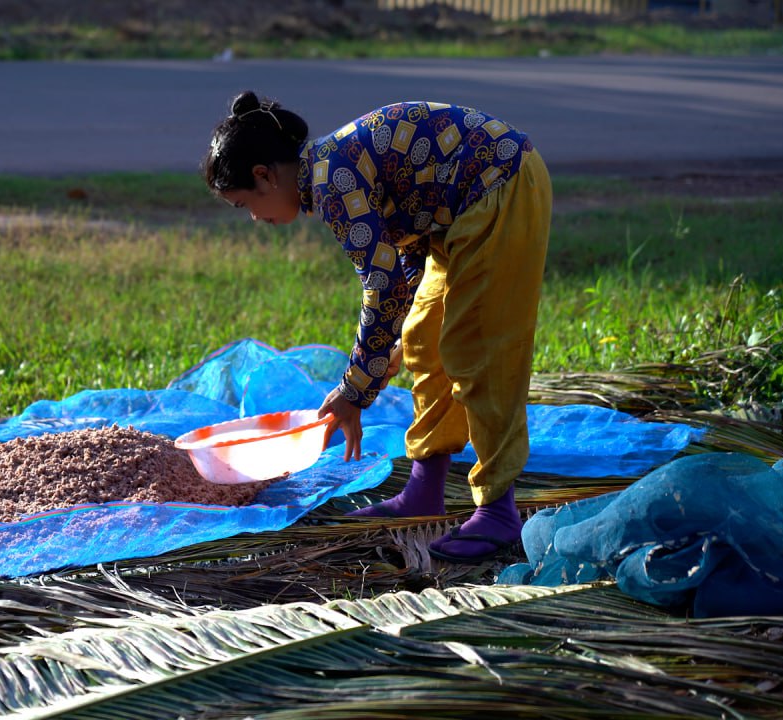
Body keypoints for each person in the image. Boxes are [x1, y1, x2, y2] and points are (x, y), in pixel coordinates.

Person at [201, 91, 552, 564]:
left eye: (246, 204)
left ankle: (498, 508)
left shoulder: (332, 180)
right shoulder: (329, 170)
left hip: (499, 186)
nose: (257, 219)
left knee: (477, 351)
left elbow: (381, 287)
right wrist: (384, 354)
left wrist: (354, 390)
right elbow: (402, 256)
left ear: (265, 176)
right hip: (458, 213)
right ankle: (426, 486)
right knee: (425, 342)